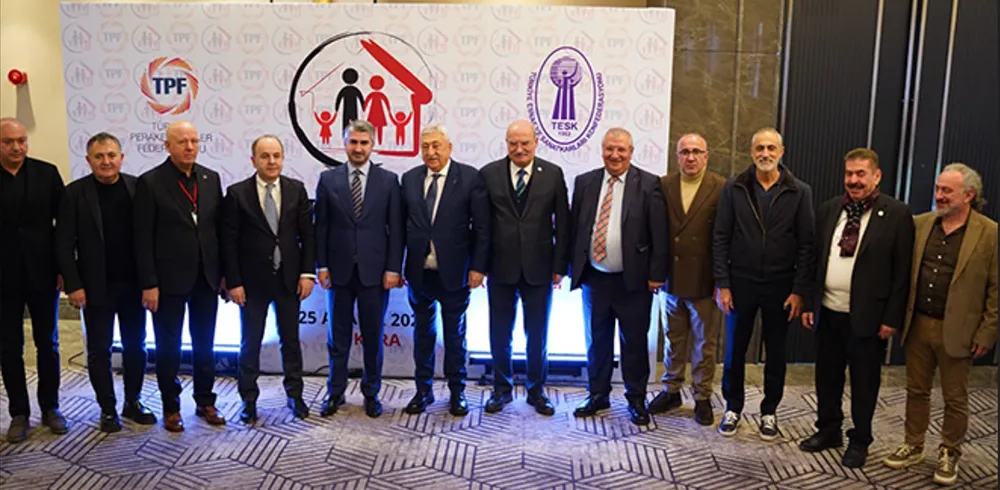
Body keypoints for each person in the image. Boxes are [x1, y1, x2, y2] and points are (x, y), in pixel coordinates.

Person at [797, 148, 913, 467]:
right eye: (849, 173)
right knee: (827, 377)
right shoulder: (830, 209)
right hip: (827, 311)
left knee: (864, 383)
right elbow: (815, 260)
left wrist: (892, 318)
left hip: (869, 318)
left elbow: (902, 272)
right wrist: (810, 302)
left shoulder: (897, 214)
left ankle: (860, 440)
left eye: (861, 174)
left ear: (877, 176)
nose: (854, 180)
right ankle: (828, 430)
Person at [883, 163, 996, 486]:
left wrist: (987, 332)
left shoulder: (990, 233)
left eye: (947, 191)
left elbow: (996, 290)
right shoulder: (919, 224)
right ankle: (914, 444)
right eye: (938, 189)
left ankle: (949, 452)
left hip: (960, 330)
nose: (939, 196)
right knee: (916, 390)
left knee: (955, 397)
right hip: (918, 323)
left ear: (969, 195)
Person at [713, 127, 815, 439]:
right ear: (752, 152)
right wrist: (723, 284)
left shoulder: (799, 191)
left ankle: (770, 411)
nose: (765, 154)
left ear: (781, 152)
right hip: (740, 283)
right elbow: (720, 237)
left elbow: (807, 245)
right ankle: (733, 407)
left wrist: (799, 290)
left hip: (780, 285)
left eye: (771, 148)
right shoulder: (735, 187)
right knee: (734, 351)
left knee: (776, 352)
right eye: (760, 148)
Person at [55, 132, 157, 434]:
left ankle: (133, 402)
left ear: (121, 158)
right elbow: (63, 244)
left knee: (136, 346)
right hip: (95, 286)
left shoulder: (137, 188)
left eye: (111, 155)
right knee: (99, 350)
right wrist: (73, 285)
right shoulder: (74, 194)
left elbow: (149, 237)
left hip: (133, 285)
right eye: (99, 156)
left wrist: (151, 281)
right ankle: (108, 409)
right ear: (88, 160)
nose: (106, 161)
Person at [568, 127, 669, 426]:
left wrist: (657, 274)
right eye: (609, 149)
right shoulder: (585, 182)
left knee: (634, 342)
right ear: (602, 150)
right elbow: (575, 229)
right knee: (596, 341)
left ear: (631, 152)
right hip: (595, 278)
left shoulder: (649, 184)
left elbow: (659, 233)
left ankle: (636, 398)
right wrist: (572, 268)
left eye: (621, 149)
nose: (615, 155)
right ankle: (597, 395)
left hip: (634, 280)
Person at [133, 120, 226, 432]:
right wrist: (149, 283)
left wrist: (224, 274)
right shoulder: (150, 182)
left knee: (205, 343)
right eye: (182, 142)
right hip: (167, 281)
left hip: (206, 278)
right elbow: (142, 238)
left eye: (194, 141)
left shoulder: (210, 178)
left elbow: (218, 231)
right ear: (167, 146)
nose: (189, 147)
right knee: (169, 347)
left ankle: (205, 400)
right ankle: (171, 406)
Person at [223, 135, 315, 424]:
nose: (271, 161)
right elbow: (229, 242)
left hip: (289, 280)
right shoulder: (237, 193)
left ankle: (295, 395)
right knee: (250, 343)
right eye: (265, 156)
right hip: (251, 284)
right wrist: (234, 282)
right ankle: (248, 399)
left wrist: (307, 273)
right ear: (254, 160)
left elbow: (308, 236)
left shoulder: (296, 189)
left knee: (291, 341)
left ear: (283, 158)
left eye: (276, 155)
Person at [315, 120, 404, 419]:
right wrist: (322, 266)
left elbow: (396, 230)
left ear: (372, 145)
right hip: (338, 272)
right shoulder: (328, 180)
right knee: (337, 338)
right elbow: (320, 228)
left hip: (375, 274)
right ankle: (335, 392)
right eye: (353, 142)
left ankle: (371, 393)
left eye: (364, 143)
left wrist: (393, 268)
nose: (358, 148)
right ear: (345, 144)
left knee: (373, 336)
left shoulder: (389, 181)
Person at [480, 120, 569, 416]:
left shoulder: (553, 174)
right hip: (499, 267)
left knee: (538, 334)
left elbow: (563, 224)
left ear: (536, 142)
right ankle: (501, 389)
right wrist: (479, 265)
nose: (519, 149)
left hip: (539, 269)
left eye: (525, 143)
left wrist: (560, 266)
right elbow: (481, 226)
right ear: (506, 143)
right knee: (499, 333)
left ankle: (536, 390)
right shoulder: (489, 174)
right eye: (513, 143)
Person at [400, 125, 490, 416]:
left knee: (455, 337)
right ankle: (423, 391)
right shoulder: (410, 179)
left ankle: (457, 392)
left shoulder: (469, 178)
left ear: (449, 147)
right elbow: (400, 227)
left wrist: (478, 267)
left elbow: (482, 228)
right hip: (420, 273)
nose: (431, 152)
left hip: (455, 273)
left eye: (436, 146)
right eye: (425, 146)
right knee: (422, 335)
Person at [648, 133, 726, 426]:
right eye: (685, 152)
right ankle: (671, 390)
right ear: (677, 156)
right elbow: (655, 231)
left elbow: (724, 237)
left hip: (704, 280)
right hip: (671, 278)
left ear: (706, 156)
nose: (690, 157)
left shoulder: (721, 186)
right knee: (673, 338)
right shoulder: (664, 184)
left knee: (705, 344)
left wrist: (721, 281)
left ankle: (702, 396)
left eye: (696, 151)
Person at [0, 117, 67, 443]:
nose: (16, 147)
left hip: (43, 274)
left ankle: (50, 407)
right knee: (9, 347)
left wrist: (65, 269)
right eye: (8, 142)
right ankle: (19, 413)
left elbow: (64, 225)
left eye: (21, 141)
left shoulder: (46, 173)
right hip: (3, 277)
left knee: (48, 344)